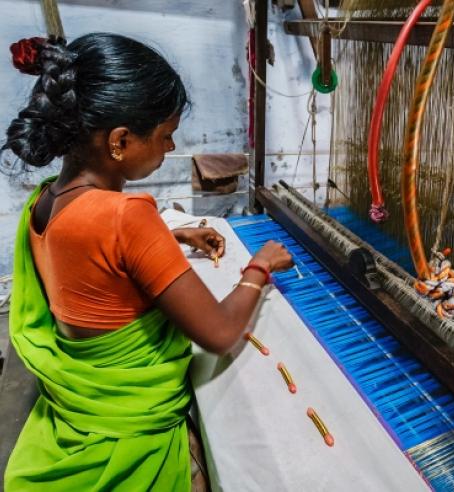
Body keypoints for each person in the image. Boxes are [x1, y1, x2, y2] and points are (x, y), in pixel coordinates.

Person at [2, 33, 293, 491]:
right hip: (130, 424)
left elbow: (82, 251)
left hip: (82, 403)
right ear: (119, 141)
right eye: (165, 136)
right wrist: (260, 266)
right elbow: (217, 334)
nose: (170, 149)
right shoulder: (127, 217)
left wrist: (169, 234)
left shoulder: (43, 202)